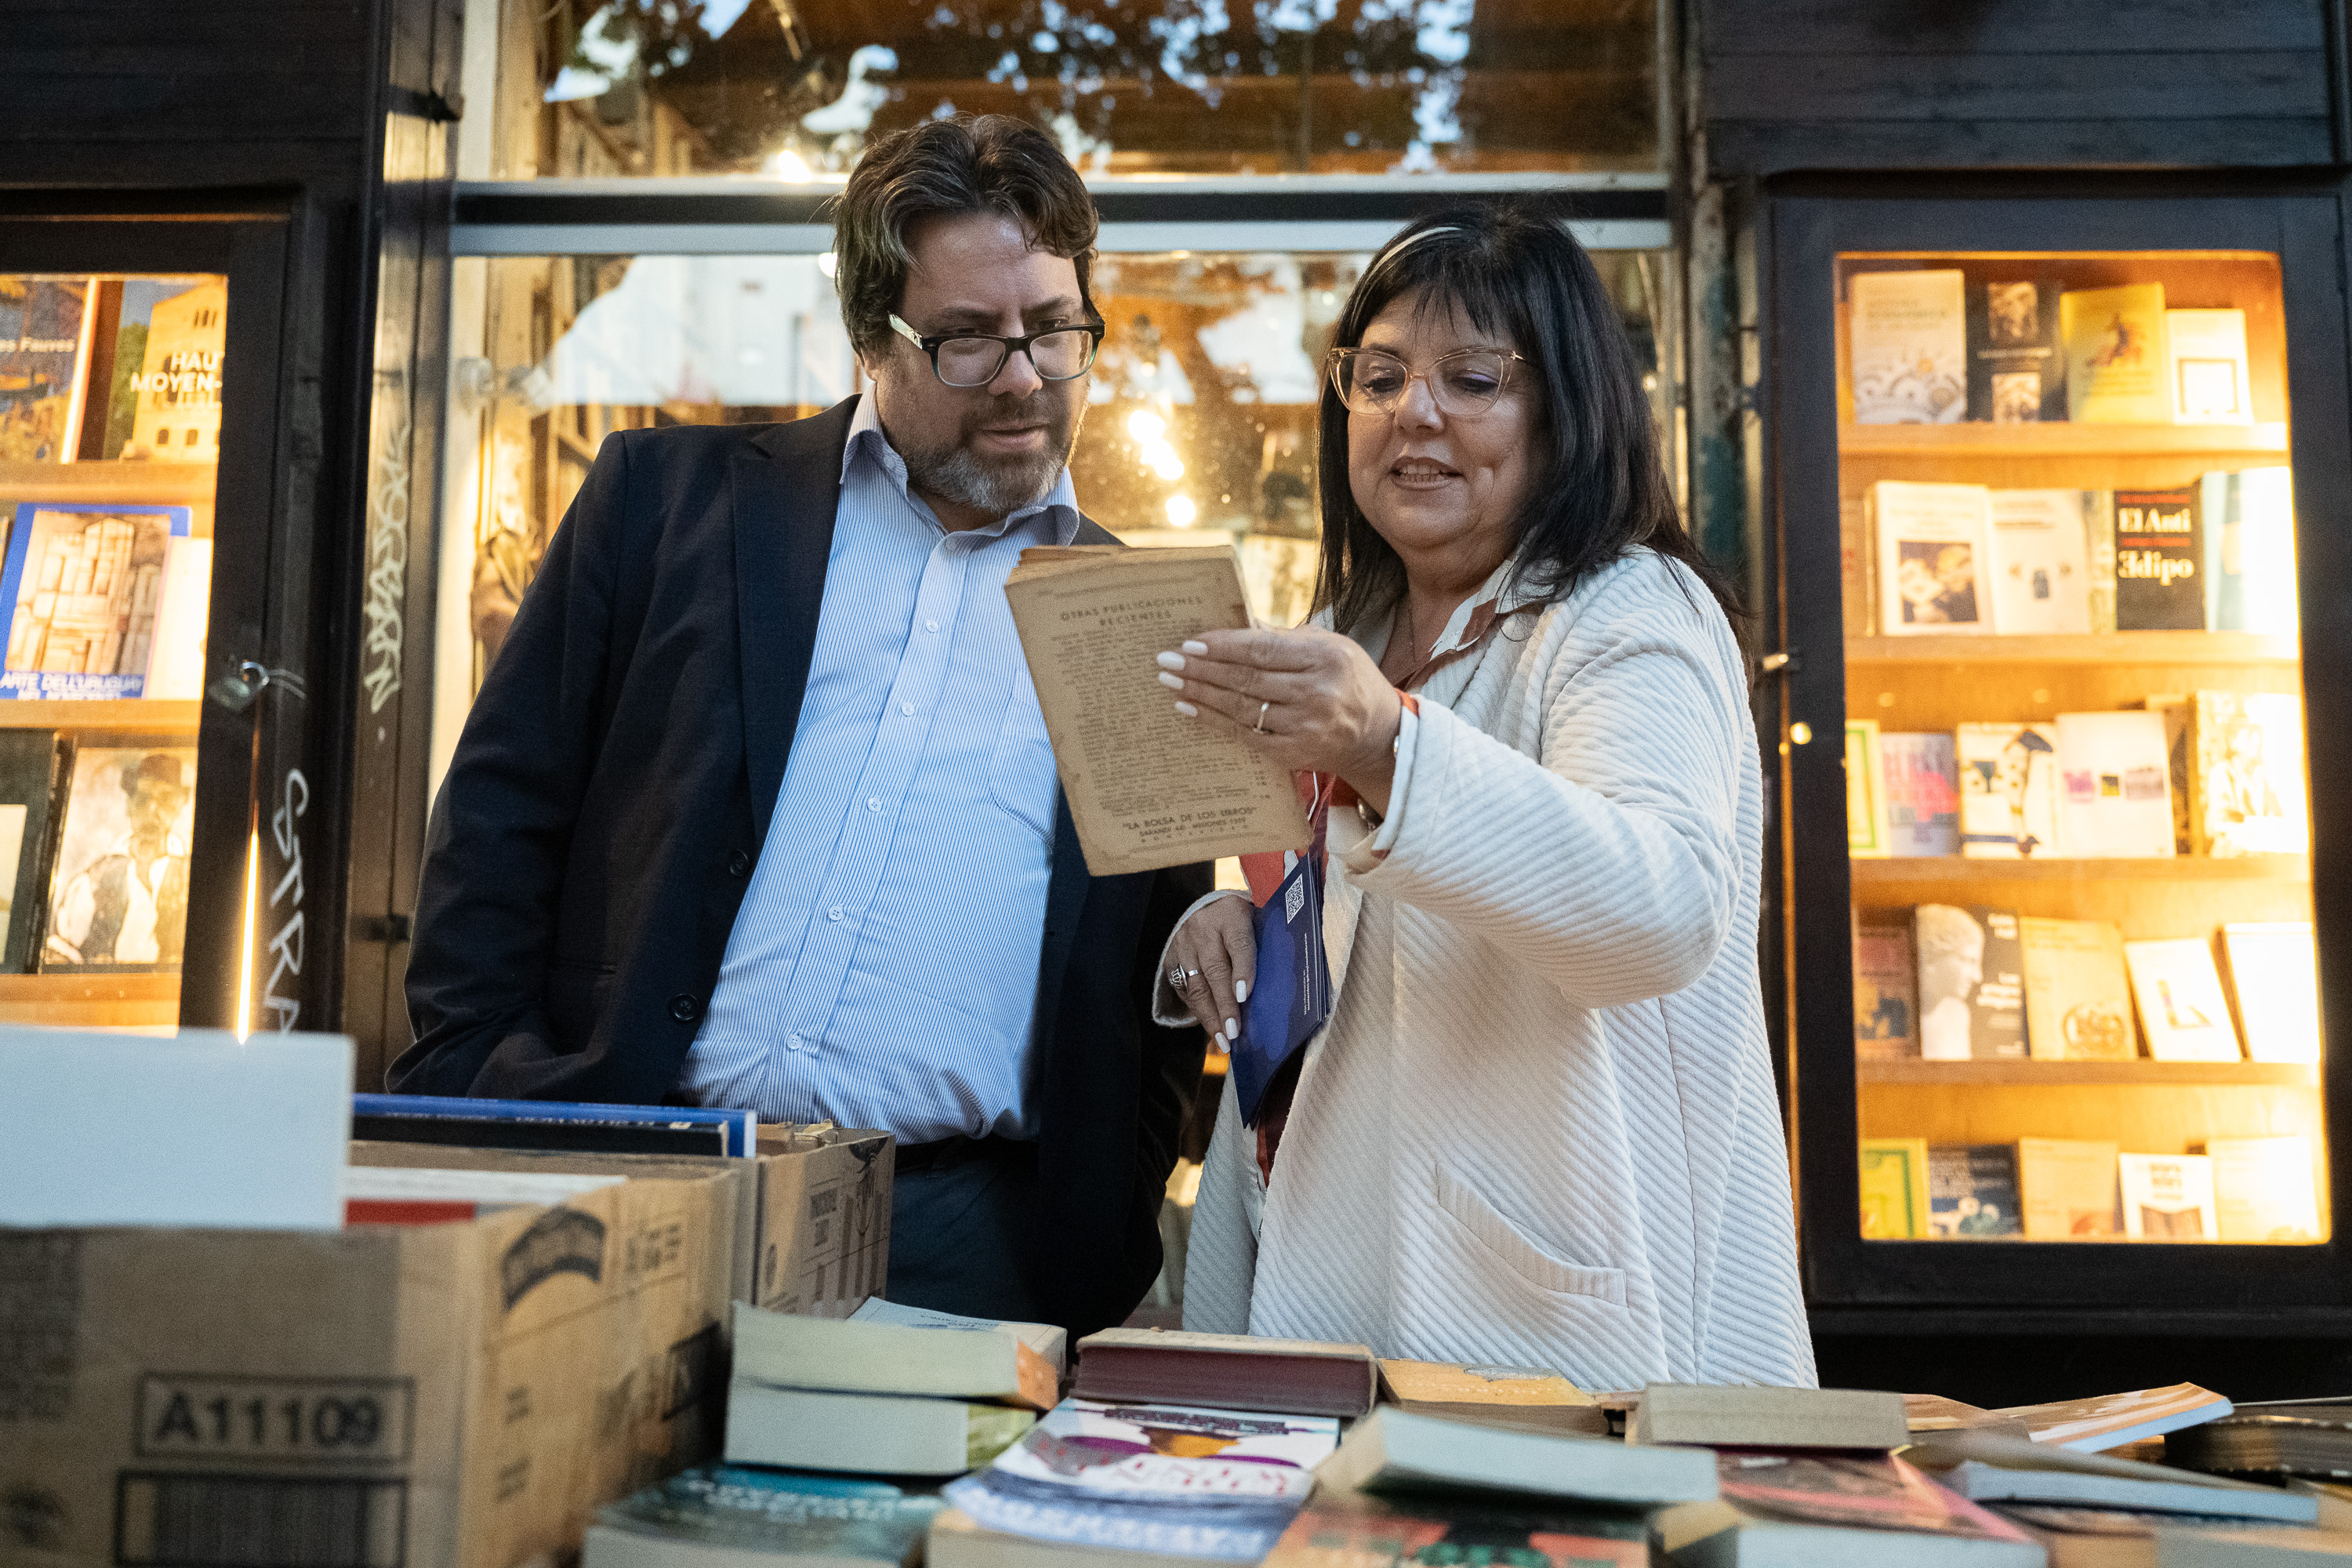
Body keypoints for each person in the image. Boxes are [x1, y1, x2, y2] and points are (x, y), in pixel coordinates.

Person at [395, 114, 1210, 1339]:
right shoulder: (665, 505)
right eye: (967, 343)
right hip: (623, 1181)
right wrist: (477, 1081)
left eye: (1053, 329)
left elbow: (1148, 972)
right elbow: (502, 817)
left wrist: (1104, 1225)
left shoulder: (1139, 622)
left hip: (964, 1245)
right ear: (870, 339)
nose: (1025, 377)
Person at [1153, 203, 1815, 1387]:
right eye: (1379, 375)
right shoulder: (1342, 634)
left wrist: (1388, 745)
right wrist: (1233, 921)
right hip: (1328, 1281)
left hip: (1554, 1322)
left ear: (1567, 408)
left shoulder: (1626, 612)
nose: (1415, 413)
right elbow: (1358, 932)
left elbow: (1663, 911)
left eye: (1472, 379)